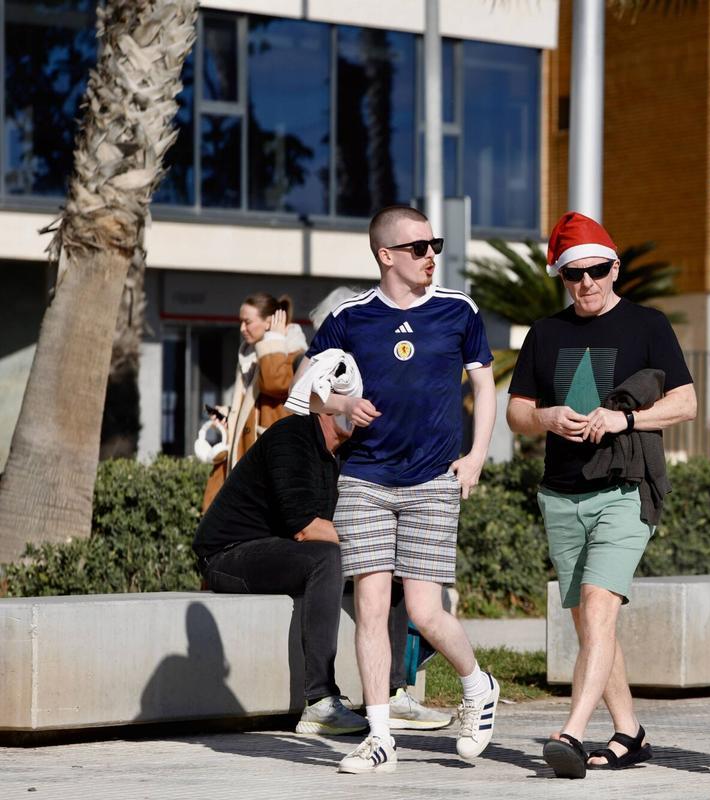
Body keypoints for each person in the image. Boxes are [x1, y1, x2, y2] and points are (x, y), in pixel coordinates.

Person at [295, 205, 498, 774]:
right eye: (418, 247)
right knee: (370, 605)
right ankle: (380, 734)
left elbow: (484, 387)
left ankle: (478, 684)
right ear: (386, 256)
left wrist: (476, 457)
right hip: (364, 480)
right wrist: (340, 404)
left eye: (434, 245)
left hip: (433, 478)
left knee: (427, 613)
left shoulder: (458, 311)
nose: (431, 254)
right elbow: (303, 387)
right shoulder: (350, 317)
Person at [507, 211, 698, 778]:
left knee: (598, 605)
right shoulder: (545, 333)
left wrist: (626, 421)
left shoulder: (648, 325)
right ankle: (630, 734)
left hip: (626, 489)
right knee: (591, 624)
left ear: (615, 268)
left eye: (597, 270)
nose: (587, 283)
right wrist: (548, 416)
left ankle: (570, 732)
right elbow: (517, 413)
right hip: (560, 494)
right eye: (574, 274)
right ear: (561, 278)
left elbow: (686, 403)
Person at [193, 411, 366, 736]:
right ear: (329, 404)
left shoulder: (346, 452)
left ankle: (393, 692)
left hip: (273, 548)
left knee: (385, 564)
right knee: (327, 558)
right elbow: (305, 529)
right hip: (225, 554)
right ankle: (319, 700)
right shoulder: (292, 436)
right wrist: (371, 538)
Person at [202, 292, 307, 510]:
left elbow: (275, 384)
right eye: (240, 322)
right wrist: (230, 415)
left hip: (273, 466)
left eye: (247, 322)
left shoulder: (292, 351)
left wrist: (274, 342)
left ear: (270, 321)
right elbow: (255, 407)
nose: (242, 328)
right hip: (250, 462)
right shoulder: (250, 355)